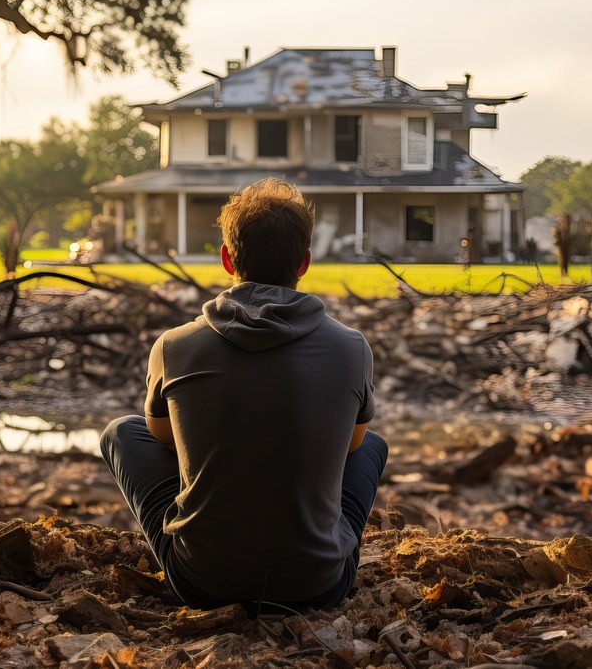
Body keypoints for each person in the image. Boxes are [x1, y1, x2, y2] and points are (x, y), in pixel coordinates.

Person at [100, 177, 387, 611]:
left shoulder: (175, 345)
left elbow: (162, 436)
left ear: (226, 259)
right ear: (305, 262)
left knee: (122, 432)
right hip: (317, 587)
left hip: (203, 583)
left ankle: (207, 532)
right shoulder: (351, 346)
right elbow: (352, 443)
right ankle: (325, 547)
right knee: (373, 446)